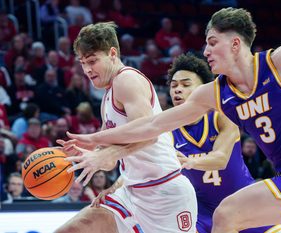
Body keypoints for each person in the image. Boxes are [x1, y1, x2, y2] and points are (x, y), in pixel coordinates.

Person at [66, 8, 281, 233]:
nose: (206, 51)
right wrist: (95, 139)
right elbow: (153, 125)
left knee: (226, 214)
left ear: (236, 44)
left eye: (213, 43)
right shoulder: (214, 93)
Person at [55, 22, 197, 233]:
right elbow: (110, 153)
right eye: (83, 62)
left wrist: (107, 154)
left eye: (93, 61)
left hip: (164, 192)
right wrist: (88, 153)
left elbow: (150, 136)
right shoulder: (107, 96)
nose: (87, 69)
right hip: (131, 193)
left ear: (113, 53)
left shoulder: (127, 80)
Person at [167, 53, 281, 233]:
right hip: (202, 213)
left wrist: (190, 161)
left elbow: (220, 158)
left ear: (204, 89)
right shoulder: (167, 130)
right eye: (174, 86)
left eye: (186, 84)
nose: (177, 89)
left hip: (244, 203)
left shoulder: (222, 115)